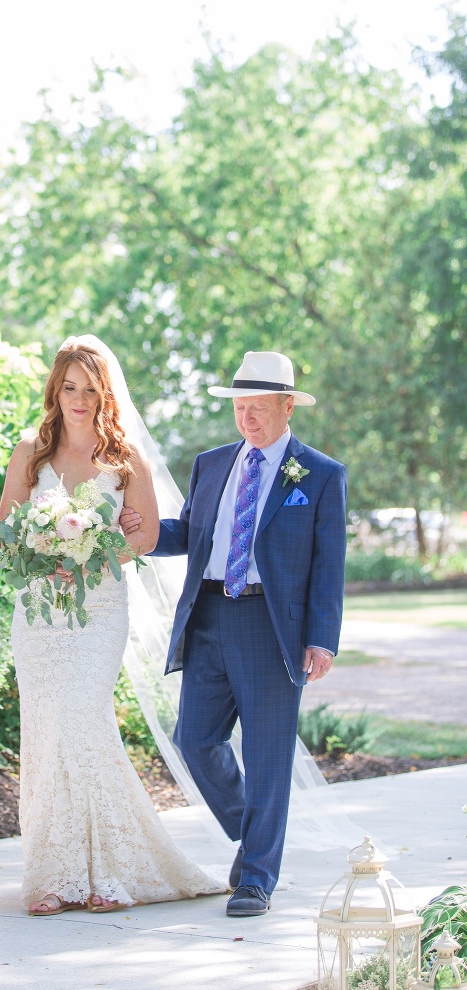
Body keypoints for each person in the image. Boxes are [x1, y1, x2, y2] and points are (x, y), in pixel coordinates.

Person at [0, 338, 227, 916]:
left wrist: (92, 554)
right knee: (48, 734)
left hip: (98, 610)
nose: (79, 398)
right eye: (70, 387)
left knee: (82, 719)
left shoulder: (125, 461)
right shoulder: (30, 452)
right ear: (56, 389)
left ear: (106, 395)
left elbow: (146, 535)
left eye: (91, 389)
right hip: (41, 615)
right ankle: (53, 874)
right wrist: (42, 546)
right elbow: (7, 530)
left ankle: (109, 871)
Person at [146, 351, 346, 918]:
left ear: (287, 407)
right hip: (208, 615)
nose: (248, 419)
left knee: (267, 756)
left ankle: (257, 876)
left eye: (259, 408)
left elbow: (330, 564)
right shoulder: (212, 464)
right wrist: (137, 533)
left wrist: (322, 638)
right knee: (195, 740)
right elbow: (189, 532)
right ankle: (251, 831)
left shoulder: (320, 474)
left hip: (271, 626)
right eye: (240, 408)